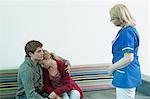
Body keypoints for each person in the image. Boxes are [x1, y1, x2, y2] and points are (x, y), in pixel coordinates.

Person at [107, 4, 141, 99]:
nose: (111, 21)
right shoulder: (125, 30)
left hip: (127, 74)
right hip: (125, 73)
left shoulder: (127, 32)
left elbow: (128, 58)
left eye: (113, 18)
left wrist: (112, 68)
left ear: (121, 18)